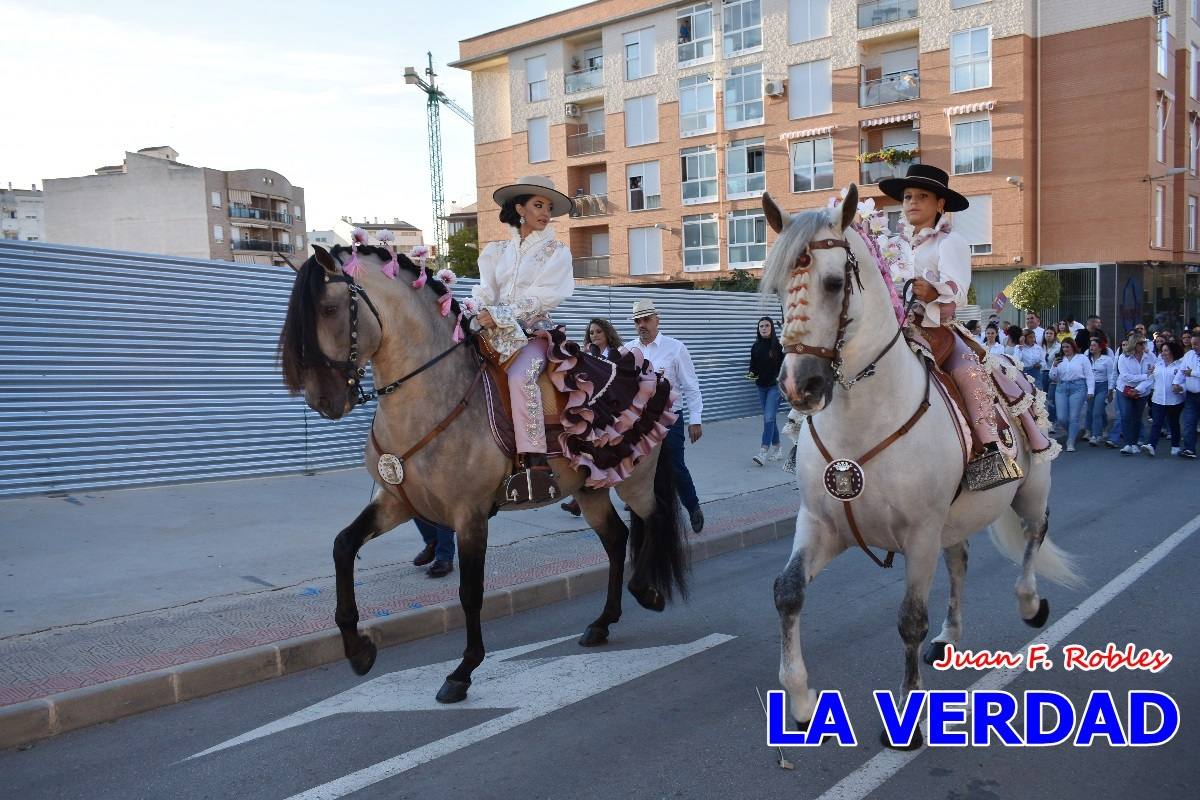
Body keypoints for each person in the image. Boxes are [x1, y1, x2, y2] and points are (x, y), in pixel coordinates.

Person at [880, 163, 1050, 484]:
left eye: (922, 196)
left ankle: (989, 452)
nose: (912, 202)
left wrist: (934, 292)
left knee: (969, 372)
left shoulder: (950, 242)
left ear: (940, 204)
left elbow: (958, 291)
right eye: (907, 196)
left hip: (936, 328)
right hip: (890, 328)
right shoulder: (891, 244)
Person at [473, 175, 575, 501]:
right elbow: (485, 290)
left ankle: (535, 462)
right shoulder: (496, 251)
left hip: (535, 334)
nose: (545, 212)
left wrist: (502, 314)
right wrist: (480, 310)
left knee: (520, 376)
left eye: (548, 207)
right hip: (494, 333)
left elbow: (546, 295)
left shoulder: (556, 251)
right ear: (520, 209)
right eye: (538, 205)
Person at [630, 299, 706, 532]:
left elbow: (691, 386)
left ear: (657, 320)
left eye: (646, 319)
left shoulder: (675, 348)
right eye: (637, 321)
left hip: (669, 419)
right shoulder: (629, 350)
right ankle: (648, 517)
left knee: (674, 466)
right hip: (639, 423)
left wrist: (695, 419)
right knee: (640, 470)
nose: (642, 325)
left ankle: (692, 506)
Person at [561, 317, 624, 516]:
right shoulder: (588, 354)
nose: (594, 335)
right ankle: (579, 497)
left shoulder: (617, 353)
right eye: (591, 332)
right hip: (592, 408)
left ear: (607, 333)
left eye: (598, 331)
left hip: (612, 409)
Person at [747, 316, 785, 465]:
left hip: (775, 387)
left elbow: (786, 366)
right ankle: (778, 449)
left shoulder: (779, 346)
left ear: (772, 328)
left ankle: (763, 451)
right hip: (761, 387)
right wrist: (751, 374)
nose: (764, 328)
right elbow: (753, 366)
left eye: (767, 325)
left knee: (768, 417)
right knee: (770, 418)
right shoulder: (755, 346)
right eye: (761, 326)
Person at [1048, 338, 1094, 452]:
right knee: (1061, 418)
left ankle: (1070, 441)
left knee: (1074, 416)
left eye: (1067, 347)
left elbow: (1089, 375)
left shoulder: (1082, 358)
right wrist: (1054, 366)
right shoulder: (1060, 359)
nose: (1065, 349)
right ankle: (1073, 432)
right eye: (1063, 347)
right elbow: (1052, 377)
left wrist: (1090, 391)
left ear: (1073, 347)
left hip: (1078, 387)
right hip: (1061, 387)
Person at [1113, 335, 1155, 455]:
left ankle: (1134, 443)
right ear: (1134, 345)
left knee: (1137, 417)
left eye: (1144, 343)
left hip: (1142, 391)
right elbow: (1125, 376)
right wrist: (1145, 376)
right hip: (1124, 389)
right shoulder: (1123, 357)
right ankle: (1128, 444)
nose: (1143, 346)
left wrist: (1138, 389)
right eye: (1140, 343)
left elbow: (1153, 375)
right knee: (1125, 415)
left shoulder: (1150, 356)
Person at [1144, 340, 1185, 456]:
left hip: (1175, 400)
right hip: (1158, 399)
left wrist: (1181, 388)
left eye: (1166, 350)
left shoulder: (1180, 365)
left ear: (1172, 351)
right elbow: (1150, 380)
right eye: (1162, 351)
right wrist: (1139, 389)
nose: (1163, 353)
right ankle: (1151, 445)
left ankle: (1175, 446)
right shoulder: (1158, 365)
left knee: (1173, 423)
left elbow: (1185, 381)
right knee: (1157, 423)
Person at [1085, 337, 1116, 446]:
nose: (1091, 347)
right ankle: (1103, 426)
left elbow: (1111, 376)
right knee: (1091, 410)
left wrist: (1110, 391)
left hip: (1102, 386)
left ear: (1100, 348)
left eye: (1094, 345)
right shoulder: (1086, 359)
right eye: (1091, 345)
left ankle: (1095, 435)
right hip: (1090, 387)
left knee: (1097, 412)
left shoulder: (1107, 360)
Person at [1174, 333, 1200, 458]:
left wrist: (1192, 373)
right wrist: (1176, 383)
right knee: (1189, 422)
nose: (1194, 346)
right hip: (1191, 395)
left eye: (1196, 344)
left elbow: (1189, 372)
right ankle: (1189, 449)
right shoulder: (1189, 355)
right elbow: (1181, 371)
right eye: (1193, 344)